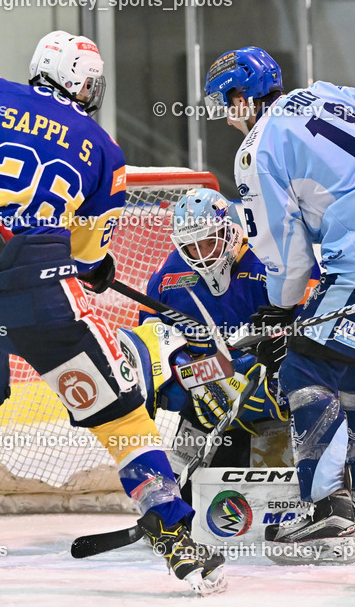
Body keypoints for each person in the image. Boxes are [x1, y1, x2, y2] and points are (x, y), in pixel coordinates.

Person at [0, 31, 225, 595]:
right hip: (40, 294)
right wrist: (98, 263)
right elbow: (85, 253)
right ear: (85, 85)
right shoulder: (104, 149)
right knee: (120, 414)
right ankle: (176, 539)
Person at [204, 46, 355, 562]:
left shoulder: (255, 149)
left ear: (242, 96)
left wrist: (280, 314)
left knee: (306, 365)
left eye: (226, 102)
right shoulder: (324, 94)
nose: (226, 114)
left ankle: (328, 510)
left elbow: (283, 250)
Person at [119, 187, 292, 503]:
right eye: (191, 246)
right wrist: (186, 376)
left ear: (228, 229)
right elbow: (151, 347)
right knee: (185, 501)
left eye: (209, 241)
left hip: (268, 396)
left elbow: (306, 330)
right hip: (204, 404)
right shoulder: (167, 277)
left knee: (274, 499)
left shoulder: (269, 262)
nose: (202, 253)